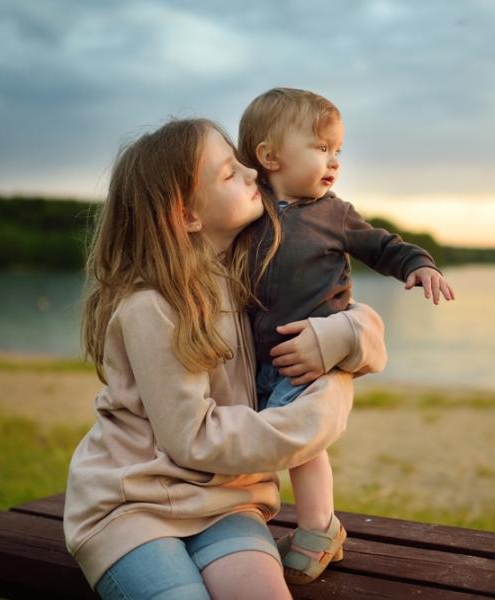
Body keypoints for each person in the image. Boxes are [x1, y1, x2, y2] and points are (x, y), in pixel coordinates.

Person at [63, 118, 387, 600]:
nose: (253, 172)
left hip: (227, 502)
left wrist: (337, 335)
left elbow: (365, 333)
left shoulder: (248, 275)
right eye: (230, 172)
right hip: (132, 506)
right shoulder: (150, 306)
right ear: (187, 215)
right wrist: (314, 420)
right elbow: (193, 440)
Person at [237, 87, 455, 584]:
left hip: (312, 358)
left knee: (305, 445)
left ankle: (318, 529)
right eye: (321, 148)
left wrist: (418, 264)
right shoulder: (248, 210)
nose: (334, 160)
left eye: (338, 150)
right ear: (269, 157)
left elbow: (382, 246)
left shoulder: (334, 214)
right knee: (253, 445)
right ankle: (248, 524)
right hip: (253, 360)